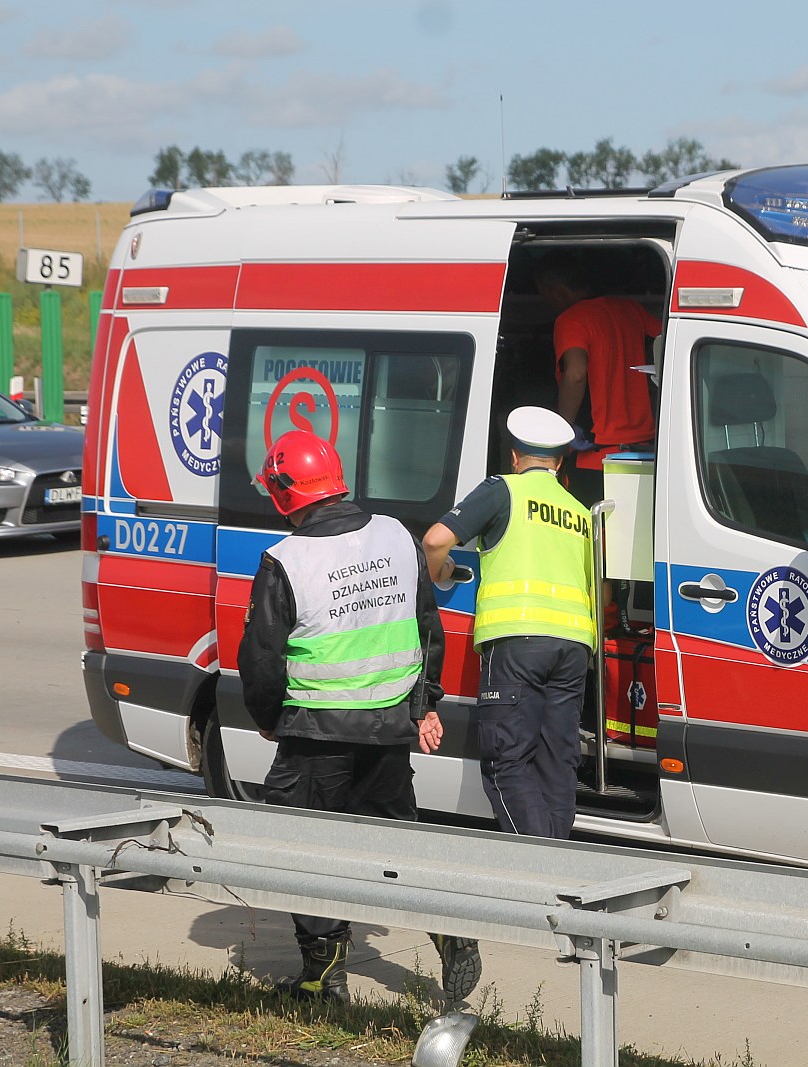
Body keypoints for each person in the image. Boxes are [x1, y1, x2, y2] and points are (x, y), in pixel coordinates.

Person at [238, 430, 480, 1005]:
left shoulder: (286, 560)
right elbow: (427, 625)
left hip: (316, 731)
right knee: (396, 841)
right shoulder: (396, 535)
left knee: (302, 847)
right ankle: (447, 927)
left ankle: (323, 978)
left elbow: (262, 659)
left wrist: (269, 718)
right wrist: (424, 703)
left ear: (284, 492)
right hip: (388, 727)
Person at [421, 407, 596, 838]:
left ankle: (537, 867)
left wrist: (440, 573)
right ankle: (557, 861)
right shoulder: (580, 512)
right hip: (574, 647)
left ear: (515, 457)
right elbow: (600, 591)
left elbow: (434, 539)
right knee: (558, 761)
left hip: (518, 642)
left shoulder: (504, 490)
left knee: (507, 760)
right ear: (559, 462)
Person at [534, 251, 661, 506]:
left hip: (594, 458)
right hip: (645, 451)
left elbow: (576, 373)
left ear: (556, 290)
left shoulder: (571, 319)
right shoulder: (632, 311)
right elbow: (669, 349)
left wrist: (561, 433)